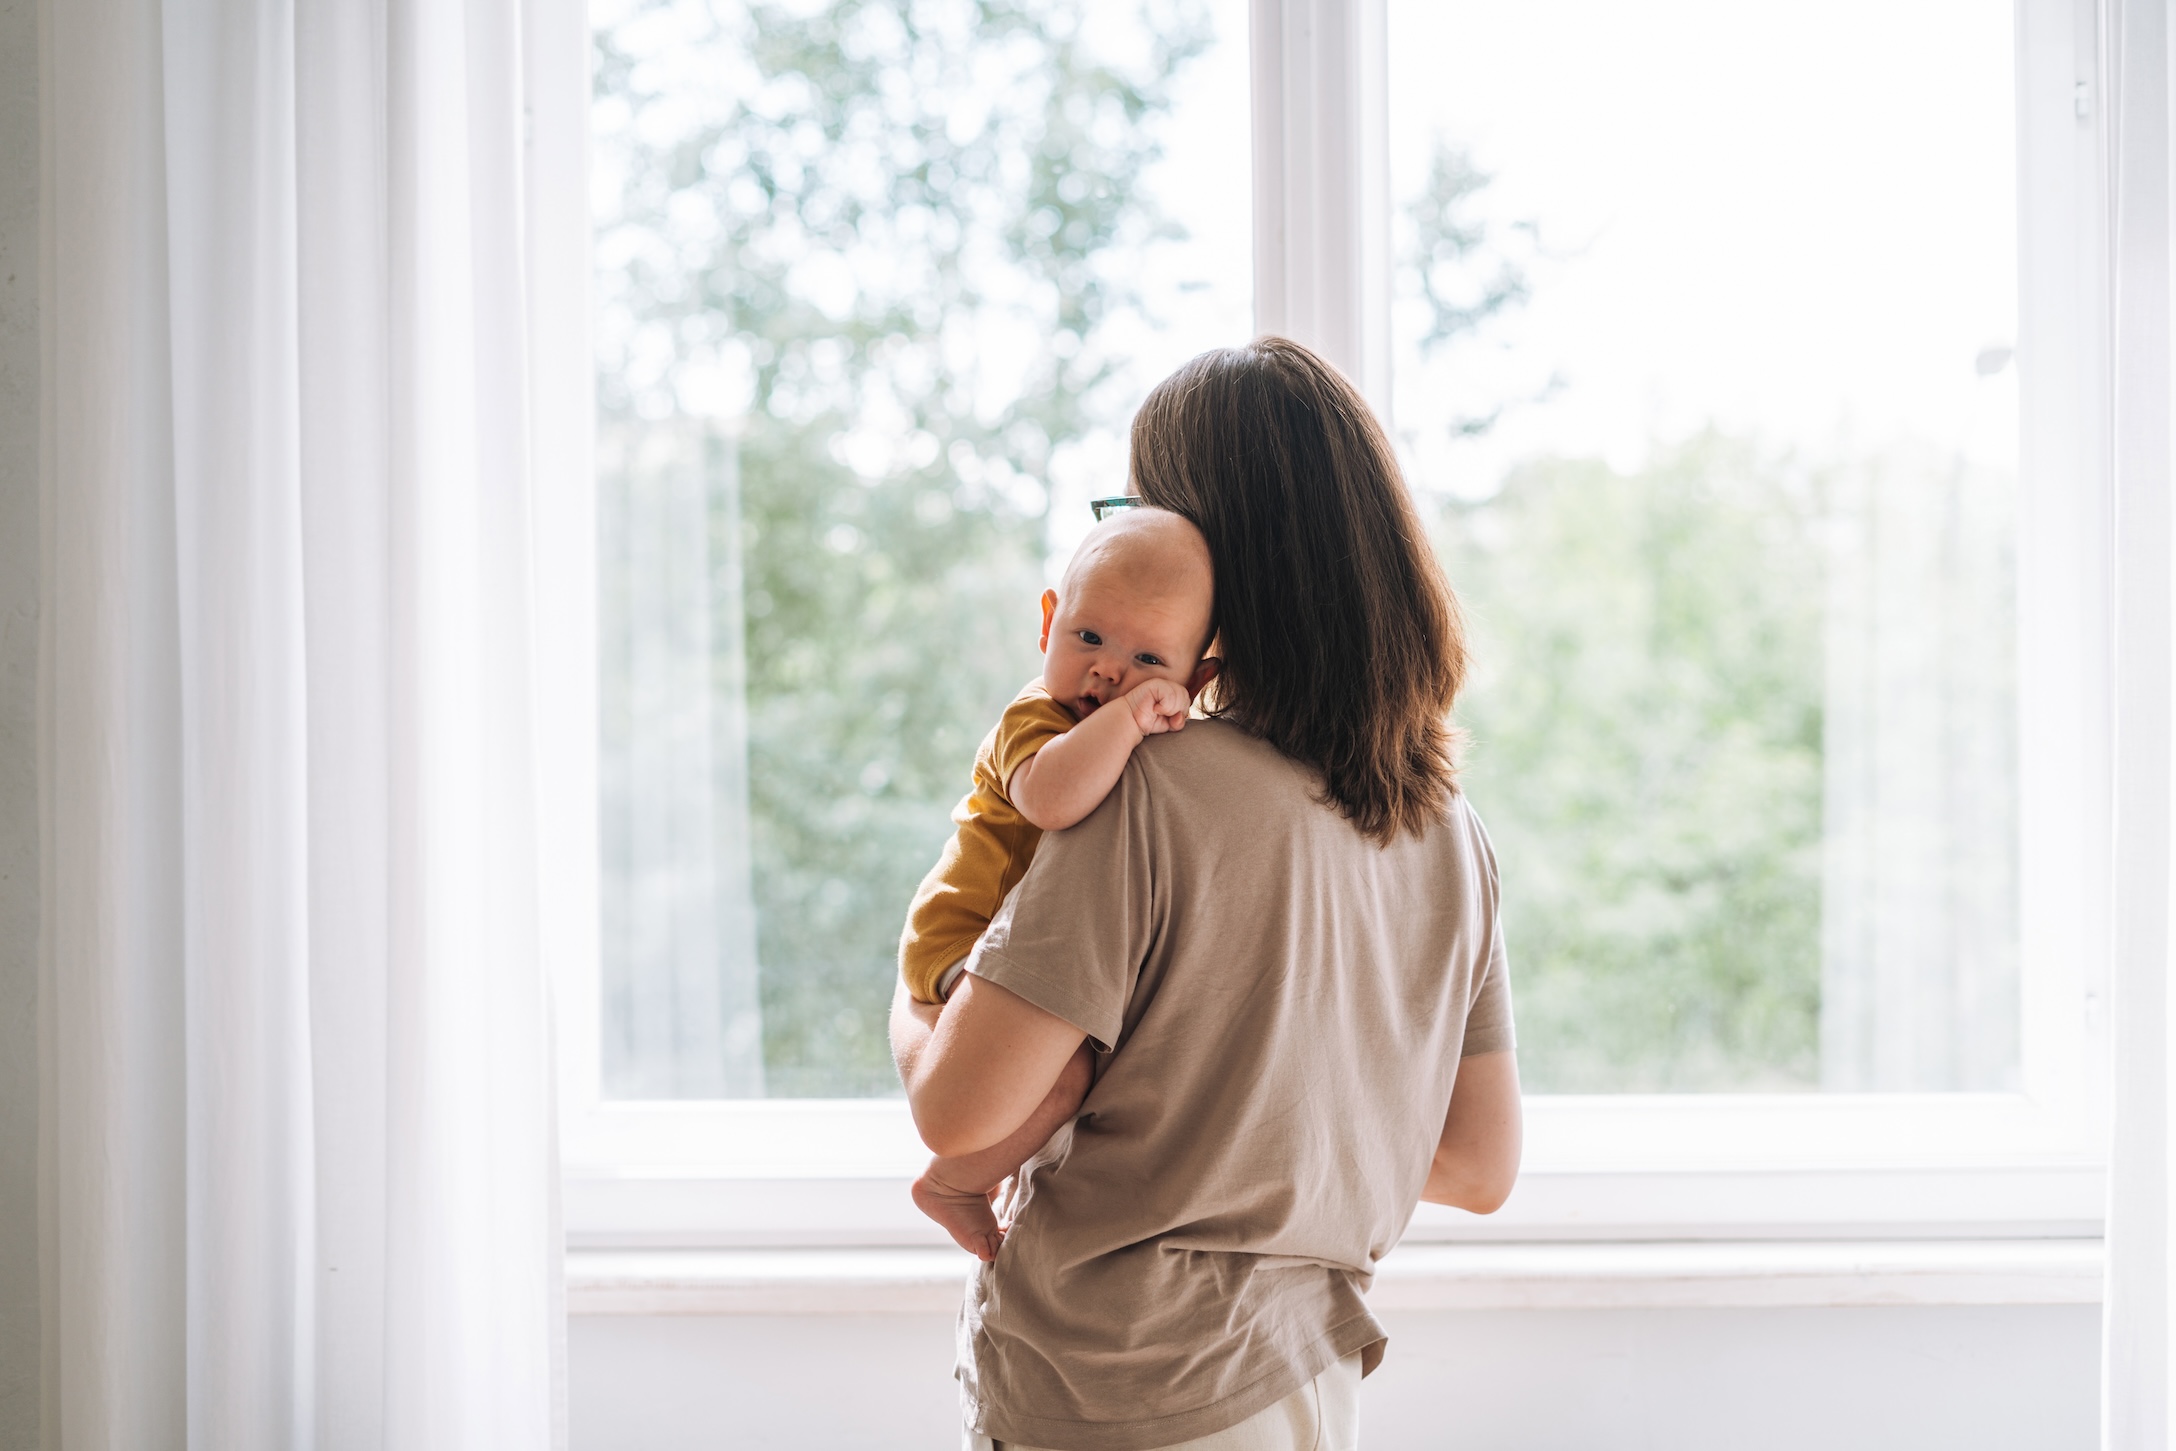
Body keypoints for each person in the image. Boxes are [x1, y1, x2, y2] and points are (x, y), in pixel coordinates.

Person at [891, 336, 1522, 1451]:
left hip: (1113, 1389)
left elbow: (955, 1110)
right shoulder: (1446, 829)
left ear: (1220, 566)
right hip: (1303, 1388)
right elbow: (1477, 1163)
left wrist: (916, 991)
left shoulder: (1144, 789)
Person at [898, 507, 1221, 1260]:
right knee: (1062, 1072)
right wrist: (1136, 713)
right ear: (1048, 620)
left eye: (1147, 658)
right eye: (1088, 637)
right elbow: (1051, 797)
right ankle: (950, 1183)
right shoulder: (1035, 718)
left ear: (1198, 679)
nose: (1108, 669)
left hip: (1002, 949)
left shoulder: (1126, 735)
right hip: (958, 936)